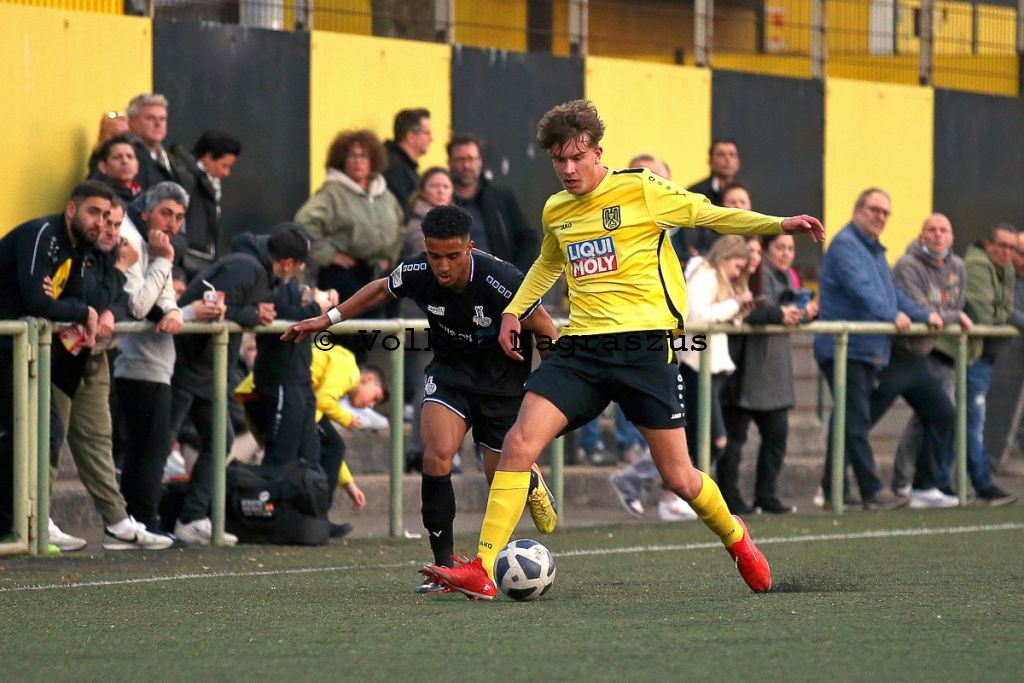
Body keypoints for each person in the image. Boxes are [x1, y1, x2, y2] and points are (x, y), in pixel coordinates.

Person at [419, 99, 824, 599]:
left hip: (644, 348)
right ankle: (482, 568)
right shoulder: (556, 209)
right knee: (518, 443)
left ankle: (736, 537)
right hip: (582, 350)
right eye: (559, 160)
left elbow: (709, 214)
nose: (568, 169)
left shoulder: (641, 189)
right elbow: (547, 265)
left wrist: (780, 224)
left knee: (679, 477)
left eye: (576, 157)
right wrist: (512, 311)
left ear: (597, 152)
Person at [282, 204, 560, 593]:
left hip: (502, 387)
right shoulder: (417, 270)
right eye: (434, 255)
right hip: (450, 376)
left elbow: (544, 327)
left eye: (453, 256)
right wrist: (327, 319)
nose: (442, 266)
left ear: (470, 247)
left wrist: (553, 386)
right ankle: (443, 567)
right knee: (436, 456)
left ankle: (528, 479)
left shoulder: (502, 280)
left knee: (498, 478)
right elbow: (381, 288)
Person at [48, 199, 173, 550]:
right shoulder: (77, 252)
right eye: (105, 221)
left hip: (94, 356)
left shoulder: (112, 256)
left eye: (117, 224)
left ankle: (117, 523)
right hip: (57, 357)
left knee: (98, 441)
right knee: (49, 440)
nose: (111, 231)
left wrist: (112, 312)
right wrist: (121, 272)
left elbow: (125, 302)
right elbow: (93, 297)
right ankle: (38, 520)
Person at [813, 188, 937, 511]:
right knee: (855, 420)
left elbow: (893, 294)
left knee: (848, 420)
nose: (880, 216)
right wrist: (891, 315)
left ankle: (833, 488)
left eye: (885, 212)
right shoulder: (846, 245)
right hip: (845, 349)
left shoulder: (875, 251)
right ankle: (871, 489)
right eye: (874, 209)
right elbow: (863, 290)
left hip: (866, 350)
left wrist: (924, 315)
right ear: (858, 210)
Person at [0, 181, 111, 540]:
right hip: (7, 344)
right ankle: (19, 526)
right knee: (33, 433)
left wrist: (70, 306)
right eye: (93, 212)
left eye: (105, 215)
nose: (99, 222)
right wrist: (79, 310)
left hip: (18, 350)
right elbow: (39, 301)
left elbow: (77, 297)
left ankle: (19, 525)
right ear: (71, 209)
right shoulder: (42, 234)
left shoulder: (79, 249)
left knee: (42, 433)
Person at [720, 232, 818, 515]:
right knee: (734, 439)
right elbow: (752, 312)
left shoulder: (789, 278)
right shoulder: (750, 274)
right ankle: (727, 498)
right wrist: (780, 314)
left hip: (774, 371)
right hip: (745, 369)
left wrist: (805, 313)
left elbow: (786, 311)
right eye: (779, 247)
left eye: (791, 248)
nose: (786, 253)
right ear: (766, 250)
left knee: (776, 436)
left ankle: (766, 495)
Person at [877, 214, 966, 508]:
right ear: (922, 236)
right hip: (895, 353)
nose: (938, 235)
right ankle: (834, 487)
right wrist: (952, 316)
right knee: (861, 417)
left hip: (922, 355)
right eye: (932, 229)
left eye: (943, 230)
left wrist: (947, 314)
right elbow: (924, 310)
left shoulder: (958, 267)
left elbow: (951, 307)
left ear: (951, 238)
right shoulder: (907, 265)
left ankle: (924, 486)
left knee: (942, 413)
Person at [114, 181, 188, 532]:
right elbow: (139, 306)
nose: (172, 223)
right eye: (166, 214)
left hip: (152, 363)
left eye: (179, 217)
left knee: (149, 448)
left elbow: (166, 295)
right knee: (148, 449)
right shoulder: (129, 239)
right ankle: (140, 520)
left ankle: (138, 521)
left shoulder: (158, 245)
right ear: (145, 213)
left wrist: (173, 310)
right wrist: (165, 260)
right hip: (131, 361)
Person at [931, 224, 1021, 505]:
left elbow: (1003, 310)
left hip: (980, 355)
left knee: (957, 419)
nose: (1008, 253)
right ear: (988, 244)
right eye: (1003, 246)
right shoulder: (978, 265)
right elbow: (986, 316)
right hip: (968, 353)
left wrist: (1003, 315)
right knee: (968, 420)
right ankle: (979, 483)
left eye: (1012, 248)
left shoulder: (1004, 269)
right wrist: (1004, 317)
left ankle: (940, 483)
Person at [679, 235, 754, 508]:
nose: (737, 273)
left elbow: (718, 316)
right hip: (696, 365)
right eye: (736, 266)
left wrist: (739, 309)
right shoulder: (704, 274)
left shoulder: (716, 277)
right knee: (713, 439)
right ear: (724, 257)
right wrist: (734, 304)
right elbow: (698, 316)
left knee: (700, 438)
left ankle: (678, 494)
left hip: (711, 367)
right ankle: (677, 493)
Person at [295, 129, 404, 306]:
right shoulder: (332, 192)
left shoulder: (384, 194)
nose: (357, 162)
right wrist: (329, 254)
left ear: (373, 160)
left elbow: (400, 227)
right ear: (342, 160)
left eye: (363, 156)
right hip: (345, 277)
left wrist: (390, 257)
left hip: (381, 275)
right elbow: (304, 223)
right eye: (352, 156)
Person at [401, 167, 455, 472]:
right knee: (426, 386)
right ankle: (421, 451)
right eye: (435, 186)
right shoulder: (416, 228)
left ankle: (444, 451)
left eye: (446, 186)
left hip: (450, 318)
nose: (441, 191)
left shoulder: (457, 224)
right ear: (422, 191)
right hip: (419, 319)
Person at [448, 134, 540, 274]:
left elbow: (528, 240)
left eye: (471, 159)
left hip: (498, 279)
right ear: (449, 162)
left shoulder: (501, 197)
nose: (466, 166)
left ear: (480, 161)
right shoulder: (440, 200)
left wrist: (515, 275)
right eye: (460, 160)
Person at [169, 131, 242, 279]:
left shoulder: (209, 185)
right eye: (224, 166)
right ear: (208, 157)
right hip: (187, 259)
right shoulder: (187, 181)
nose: (227, 173)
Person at [684, 139, 742, 257]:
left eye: (732, 155)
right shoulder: (696, 193)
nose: (727, 159)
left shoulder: (741, 193)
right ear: (710, 162)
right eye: (721, 155)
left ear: (738, 163)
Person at [384, 108, 432, 218]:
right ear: (411, 137)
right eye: (427, 133)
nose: (431, 138)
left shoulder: (404, 166)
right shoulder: (394, 168)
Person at [125, 93, 178, 191]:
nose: (158, 124)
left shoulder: (175, 159)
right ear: (131, 122)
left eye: (162, 119)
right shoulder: (124, 156)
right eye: (150, 118)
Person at [89, 134, 142, 203]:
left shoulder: (141, 193)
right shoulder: (96, 195)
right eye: (117, 157)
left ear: (137, 165)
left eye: (130, 157)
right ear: (102, 166)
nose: (125, 161)